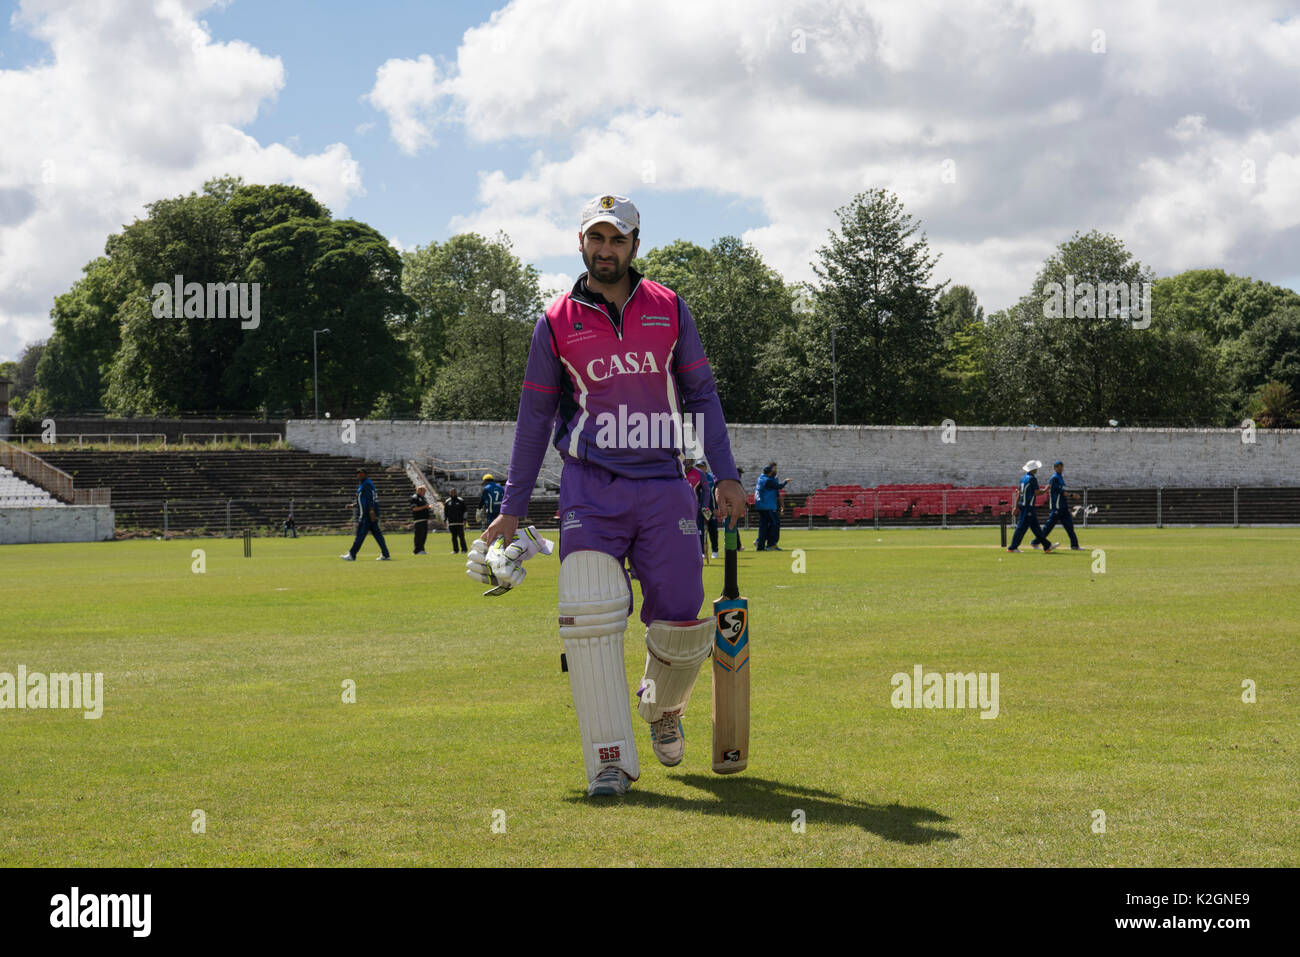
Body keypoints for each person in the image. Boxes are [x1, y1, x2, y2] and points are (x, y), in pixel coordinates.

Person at [478, 193, 747, 798]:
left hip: (665, 484)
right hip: (589, 489)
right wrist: (512, 507)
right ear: (581, 244)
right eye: (596, 239)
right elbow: (534, 417)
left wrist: (726, 473)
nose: (606, 250)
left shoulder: (670, 309)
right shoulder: (554, 321)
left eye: (617, 239)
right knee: (590, 619)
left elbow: (701, 395)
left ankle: (662, 707)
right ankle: (609, 760)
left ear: (635, 244)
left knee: (681, 625)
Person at [341, 467, 391, 561]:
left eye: (361, 473)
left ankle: (352, 555)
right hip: (369, 514)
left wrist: (371, 512)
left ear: (365, 474)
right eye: (358, 473)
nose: (359, 475)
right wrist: (353, 505)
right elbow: (363, 500)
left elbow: (369, 500)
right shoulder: (366, 483)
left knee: (360, 535)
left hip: (367, 515)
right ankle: (386, 554)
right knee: (378, 535)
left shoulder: (366, 485)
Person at [1007, 460, 1053, 553]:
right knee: (1021, 527)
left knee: (1036, 528)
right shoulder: (1032, 479)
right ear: (1033, 469)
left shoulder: (1023, 478)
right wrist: (1046, 490)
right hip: (1028, 506)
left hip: (1023, 505)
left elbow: (1018, 493)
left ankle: (1047, 545)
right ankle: (1012, 547)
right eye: (1036, 468)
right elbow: (1037, 492)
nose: (1037, 469)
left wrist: (1015, 506)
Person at [1038, 460, 1081, 550]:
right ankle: (1036, 541)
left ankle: (1075, 546)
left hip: (1063, 506)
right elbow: (1060, 491)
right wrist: (1072, 495)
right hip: (1057, 506)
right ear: (1054, 468)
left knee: (1069, 526)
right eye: (1058, 467)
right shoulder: (1054, 478)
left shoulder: (1060, 477)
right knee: (1049, 526)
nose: (1060, 468)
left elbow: (1062, 490)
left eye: (1061, 466)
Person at [753, 461, 789, 551]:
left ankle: (760, 546)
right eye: (774, 469)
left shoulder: (761, 478)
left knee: (764, 526)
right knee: (774, 524)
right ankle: (771, 544)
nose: (775, 470)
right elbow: (779, 487)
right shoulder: (768, 480)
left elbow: (776, 492)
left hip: (760, 506)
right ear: (770, 471)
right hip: (768, 506)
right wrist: (785, 482)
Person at [699, 459, 719, 559]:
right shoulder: (696, 476)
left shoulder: (711, 478)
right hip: (700, 507)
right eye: (698, 467)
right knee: (700, 529)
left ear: (705, 468)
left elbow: (714, 494)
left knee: (712, 529)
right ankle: (701, 551)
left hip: (709, 508)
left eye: (702, 467)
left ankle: (715, 550)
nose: (700, 469)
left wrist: (715, 508)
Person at [444, 487, 468, 553]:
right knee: (453, 537)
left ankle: (464, 549)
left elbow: (465, 511)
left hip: (460, 522)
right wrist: (444, 520)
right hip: (451, 522)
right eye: (452, 492)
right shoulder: (447, 502)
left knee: (461, 537)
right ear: (450, 493)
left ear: (456, 492)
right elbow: (445, 512)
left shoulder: (461, 500)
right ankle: (455, 550)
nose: (453, 493)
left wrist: (465, 519)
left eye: (454, 492)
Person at [410, 484, 431, 555]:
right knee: (419, 536)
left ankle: (422, 549)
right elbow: (414, 509)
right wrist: (425, 506)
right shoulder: (415, 498)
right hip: (419, 520)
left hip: (424, 520)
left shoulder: (423, 498)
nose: (424, 493)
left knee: (423, 535)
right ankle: (417, 550)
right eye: (424, 491)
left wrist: (428, 507)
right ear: (419, 490)